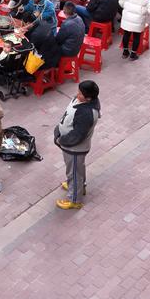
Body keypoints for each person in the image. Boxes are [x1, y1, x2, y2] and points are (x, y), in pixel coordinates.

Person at [53, 80, 101, 210]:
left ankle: (75, 200)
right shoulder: (82, 100)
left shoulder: (86, 113)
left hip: (74, 148)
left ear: (88, 98)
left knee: (74, 173)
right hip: (70, 146)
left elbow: (77, 135)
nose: (77, 94)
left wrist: (60, 140)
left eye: (80, 93)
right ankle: (79, 186)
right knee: (77, 170)